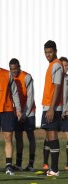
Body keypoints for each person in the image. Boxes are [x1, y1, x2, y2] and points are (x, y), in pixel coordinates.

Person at [9, 58, 36, 172]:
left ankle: (31, 164)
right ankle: (18, 164)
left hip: (29, 111)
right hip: (17, 112)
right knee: (18, 137)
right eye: (11, 69)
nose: (14, 71)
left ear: (19, 67)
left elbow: (30, 97)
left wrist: (25, 113)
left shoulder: (27, 77)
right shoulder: (9, 77)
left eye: (15, 68)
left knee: (30, 137)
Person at [41, 40, 63, 176]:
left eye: (50, 52)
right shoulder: (51, 65)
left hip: (52, 106)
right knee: (49, 136)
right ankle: (52, 169)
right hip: (48, 106)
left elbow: (57, 86)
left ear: (55, 51)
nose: (48, 55)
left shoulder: (56, 65)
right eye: (46, 52)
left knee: (53, 135)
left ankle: (55, 169)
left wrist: (51, 108)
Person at [59, 56, 68, 171]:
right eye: (64, 65)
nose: (65, 68)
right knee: (50, 138)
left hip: (65, 113)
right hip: (55, 112)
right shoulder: (53, 79)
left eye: (67, 65)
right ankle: (47, 164)